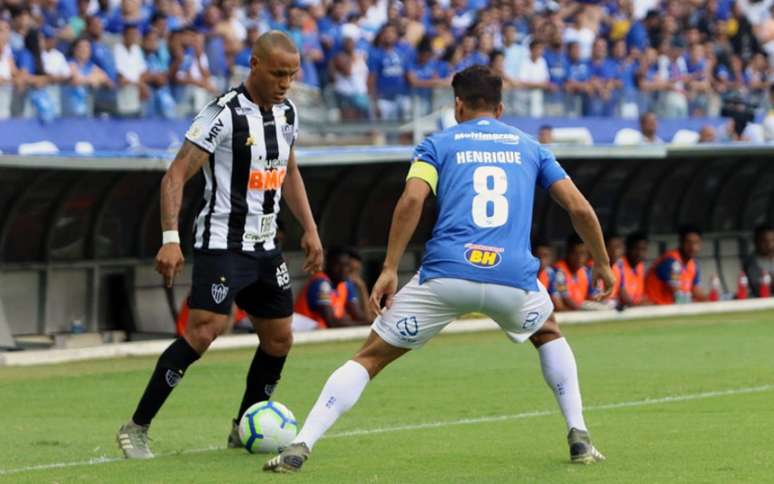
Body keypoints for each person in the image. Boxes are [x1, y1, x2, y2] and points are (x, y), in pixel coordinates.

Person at [264, 65, 614, 473]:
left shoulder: (437, 145)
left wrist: (391, 267)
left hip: (447, 276)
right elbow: (579, 208)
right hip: (512, 280)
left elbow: (412, 201)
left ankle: (301, 444)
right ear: (500, 108)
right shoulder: (531, 148)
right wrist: (603, 263)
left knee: (370, 358)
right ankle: (579, 435)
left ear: (458, 106)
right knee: (548, 332)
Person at [116, 31, 324, 460]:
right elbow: (174, 175)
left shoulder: (287, 112)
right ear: (254, 65)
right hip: (222, 242)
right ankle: (136, 428)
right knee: (206, 330)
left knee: (280, 338)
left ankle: (244, 424)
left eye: (292, 74)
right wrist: (170, 239)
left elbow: (290, 171)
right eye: (278, 73)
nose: (286, 82)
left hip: (266, 245)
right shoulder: (223, 113)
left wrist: (310, 228)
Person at [294, 248, 369, 328]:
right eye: (338, 265)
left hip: (325, 334)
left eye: (346, 265)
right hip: (304, 332)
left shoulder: (344, 284)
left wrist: (372, 323)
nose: (343, 269)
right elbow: (331, 322)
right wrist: (366, 324)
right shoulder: (321, 284)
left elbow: (358, 316)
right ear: (328, 265)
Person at [645, 225, 707, 304]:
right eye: (689, 242)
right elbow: (678, 295)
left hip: (672, 309)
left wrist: (710, 298)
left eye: (696, 243)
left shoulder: (693, 264)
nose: (693, 247)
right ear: (681, 242)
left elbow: (696, 291)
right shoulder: (671, 262)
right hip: (655, 308)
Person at [549, 234, 595, 311]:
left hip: (582, 306)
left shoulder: (586, 271)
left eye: (583, 253)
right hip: (569, 310)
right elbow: (565, 299)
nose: (579, 258)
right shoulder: (558, 271)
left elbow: (592, 296)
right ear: (568, 253)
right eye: (575, 253)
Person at [617, 231, 649, 308]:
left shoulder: (640, 265)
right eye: (636, 249)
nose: (639, 253)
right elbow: (622, 295)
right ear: (628, 249)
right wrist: (636, 305)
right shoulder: (619, 265)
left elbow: (640, 295)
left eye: (643, 249)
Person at [744, 224, 774, 297]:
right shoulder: (752, 262)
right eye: (765, 241)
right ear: (756, 242)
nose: (769, 244)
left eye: (772, 240)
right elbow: (757, 287)